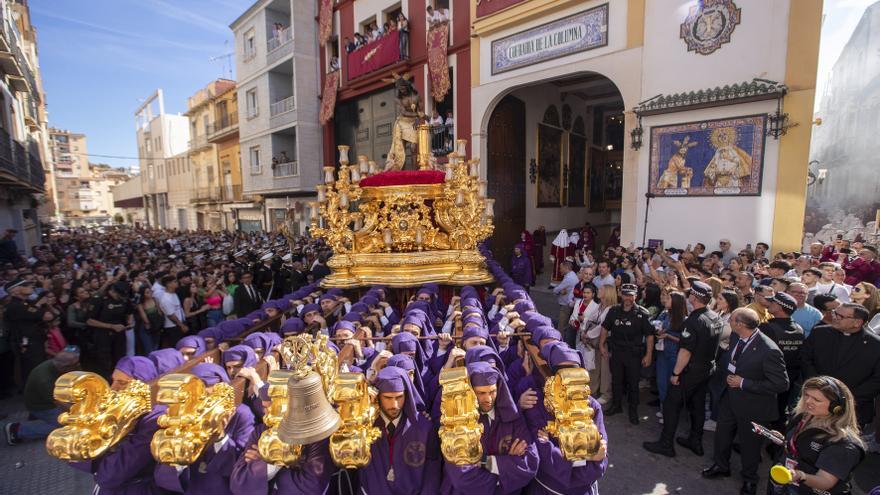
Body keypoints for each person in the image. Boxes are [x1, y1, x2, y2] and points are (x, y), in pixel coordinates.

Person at [701, 308, 789, 495]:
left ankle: (750, 479)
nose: (728, 322)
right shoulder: (735, 335)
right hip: (730, 398)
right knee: (722, 434)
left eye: (731, 320)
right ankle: (721, 465)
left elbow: (781, 384)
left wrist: (744, 383)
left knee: (750, 445)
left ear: (740, 324)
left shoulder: (769, 350)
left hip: (753, 405)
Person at [643, 281, 722, 456]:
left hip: (690, 370)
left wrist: (675, 373)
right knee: (697, 406)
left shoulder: (694, 321)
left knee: (671, 404)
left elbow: (686, 351)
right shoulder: (714, 316)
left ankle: (666, 444)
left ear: (693, 297)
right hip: (706, 368)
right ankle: (695, 441)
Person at [69, 356, 166, 494]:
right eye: (113, 380)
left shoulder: (154, 419)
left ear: (143, 385)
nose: (113, 388)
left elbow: (111, 475)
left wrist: (96, 460)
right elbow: (73, 454)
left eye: (122, 383)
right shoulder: (113, 409)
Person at [154, 363, 255, 494]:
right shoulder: (181, 416)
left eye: (208, 397)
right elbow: (162, 479)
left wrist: (220, 438)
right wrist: (179, 454)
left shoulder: (241, 414)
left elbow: (243, 469)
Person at [440, 361, 539, 494]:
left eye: (492, 391)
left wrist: (485, 462)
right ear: (470, 391)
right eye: (481, 393)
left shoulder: (514, 418)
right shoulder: (456, 423)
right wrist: (506, 470)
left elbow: (530, 463)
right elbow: (462, 478)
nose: (488, 399)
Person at [767, 376, 866, 495]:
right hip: (785, 485)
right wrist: (784, 440)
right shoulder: (804, 417)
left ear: (836, 408)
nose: (808, 401)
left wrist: (800, 476)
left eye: (816, 399)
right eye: (807, 395)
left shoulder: (843, 444)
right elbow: (800, 448)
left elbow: (826, 481)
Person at [359, 366, 440, 494]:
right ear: (378, 396)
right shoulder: (364, 426)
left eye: (399, 397)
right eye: (388, 398)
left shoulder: (423, 427)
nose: (394, 405)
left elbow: (433, 470)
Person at [801, 303, 880, 426]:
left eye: (840, 316)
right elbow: (805, 359)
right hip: (814, 402)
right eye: (834, 313)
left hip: (852, 408)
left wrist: (847, 399)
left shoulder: (875, 345)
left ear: (857, 323)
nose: (834, 317)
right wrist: (818, 388)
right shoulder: (820, 333)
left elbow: (877, 379)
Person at [600, 283, 655, 425]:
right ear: (620, 295)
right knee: (616, 380)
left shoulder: (642, 313)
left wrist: (648, 355)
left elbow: (649, 336)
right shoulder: (614, 311)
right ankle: (616, 405)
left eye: (631, 295)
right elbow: (605, 328)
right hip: (617, 351)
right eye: (625, 295)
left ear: (635, 296)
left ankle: (633, 410)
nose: (628, 298)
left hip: (634, 354)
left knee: (633, 383)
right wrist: (601, 344)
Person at [5, 349, 80, 445]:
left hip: (50, 397)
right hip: (42, 406)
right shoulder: (44, 379)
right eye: (76, 365)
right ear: (65, 367)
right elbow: (60, 403)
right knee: (65, 426)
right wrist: (79, 414)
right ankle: (17, 430)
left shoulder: (59, 365)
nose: (78, 366)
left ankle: (38, 418)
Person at [4, 278, 54, 382]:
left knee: (39, 366)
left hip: (35, 339)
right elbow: (47, 316)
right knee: (34, 369)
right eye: (25, 285)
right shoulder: (15, 306)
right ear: (15, 290)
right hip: (28, 343)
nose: (31, 286)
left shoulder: (24, 303)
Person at [157, 275, 187, 349]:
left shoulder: (174, 294)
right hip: (173, 327)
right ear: (168, 284)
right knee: (178, 346)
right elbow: (171, 315)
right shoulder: (165, 299)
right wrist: (181, 325)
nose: (177, 283)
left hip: (180, 323)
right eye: (175, 282)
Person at [552, 261, 577, 335]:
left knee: (561, 327)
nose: (560, 270)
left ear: (566, 268)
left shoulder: (569, 278)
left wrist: (558, 291)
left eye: (561, 268)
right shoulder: (571, 275)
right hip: (567, 303)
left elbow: (556, 290)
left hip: (566, 305)